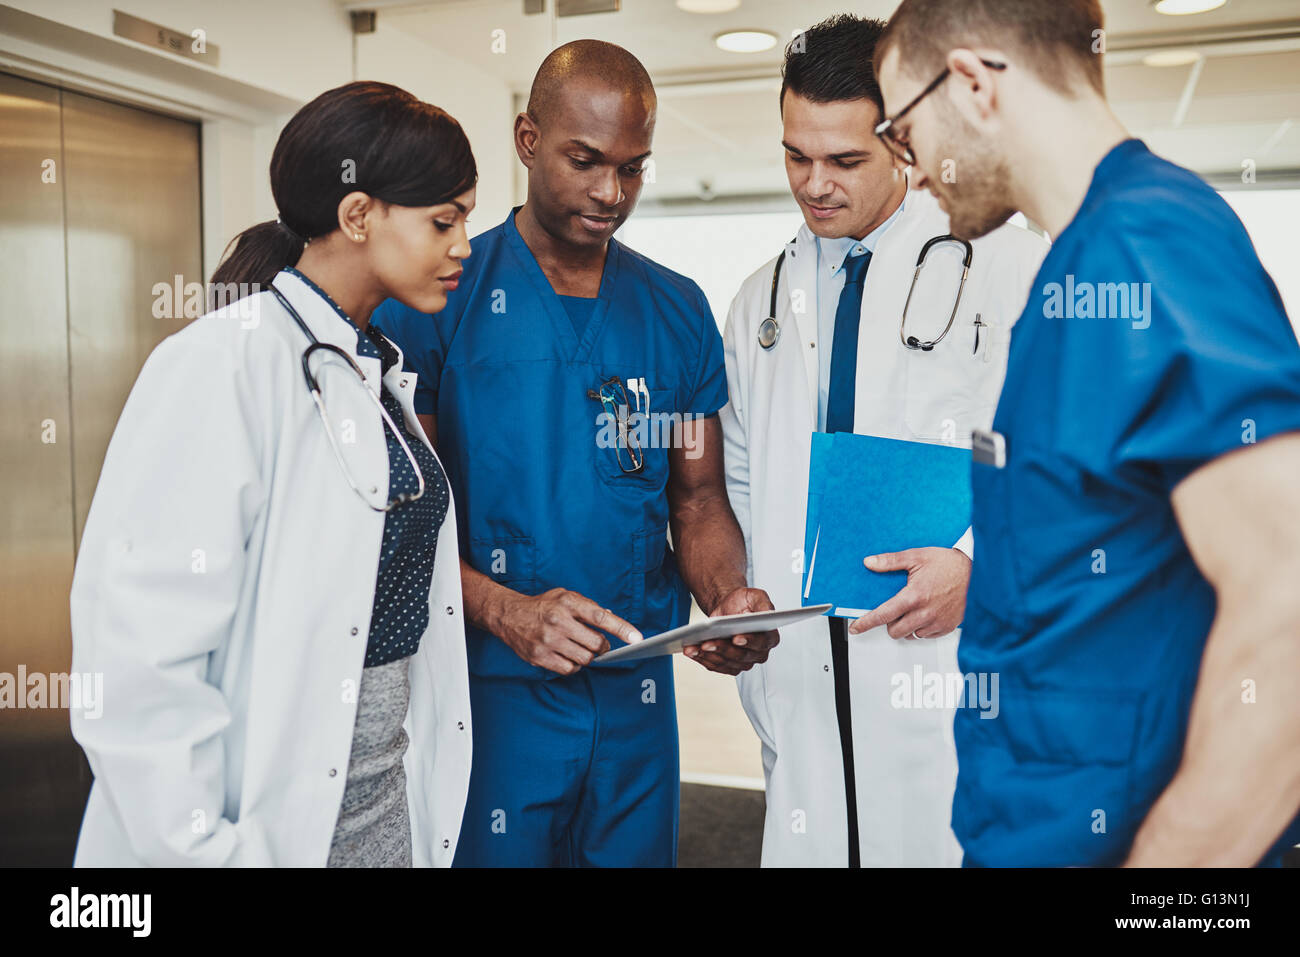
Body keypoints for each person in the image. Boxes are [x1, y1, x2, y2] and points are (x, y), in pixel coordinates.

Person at [874, 0, 1300, 866]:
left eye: (902, 132)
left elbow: (1290, 602)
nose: (908, 172)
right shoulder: (1078, 269)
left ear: (971, 83)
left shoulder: (1148, 245)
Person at [371, 40, 777, 868]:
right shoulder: (442, 300)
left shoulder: (676, 308)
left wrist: (729, 598)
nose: (610, 192)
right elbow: (398, 524)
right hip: (493, 695)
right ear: (527, 140)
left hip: (637, 697)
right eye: (585, 160)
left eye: (633, 168)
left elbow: (695, 500)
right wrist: (504, 610)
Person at [69, 81, 478, 866]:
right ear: (358, 216)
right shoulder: (222, 364)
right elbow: (139, 658)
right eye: (444, 219)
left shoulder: (372, 373)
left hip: (378, 804)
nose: (464, 243)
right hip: (258, 829)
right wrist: (208, 851)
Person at [720, 14, 1047, 868]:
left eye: (844, 160)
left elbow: (1056, 463)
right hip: (801, 682)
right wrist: (741, 596)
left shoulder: (1001, 265)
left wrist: (978, 566)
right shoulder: (760, 299)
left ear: (902, 141)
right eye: (796, 155)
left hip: (943, 670)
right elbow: (744, 477)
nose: (814, 183)